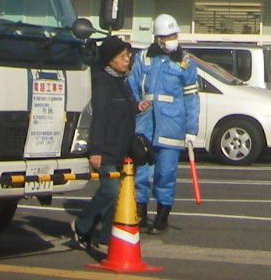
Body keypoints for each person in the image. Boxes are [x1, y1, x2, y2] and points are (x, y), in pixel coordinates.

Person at [129, 13, 199, 233]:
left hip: (172, 126)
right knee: (140, 173)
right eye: (167, 36)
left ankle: (161, 217)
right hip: (144, 126)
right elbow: (131, 89)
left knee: (165, 173)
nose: (172, 39)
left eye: (174, 34)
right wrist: (134, 107)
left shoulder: (185, 62)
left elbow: (191, 97)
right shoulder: (142, 58)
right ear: (158, 38)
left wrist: (191, 129)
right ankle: (139, 215)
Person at [72, 36, 136, 251]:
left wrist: (139, 107)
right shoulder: (102, 81)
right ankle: (82, 225)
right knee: (110, 189)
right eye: (122, 56)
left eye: (127, 55)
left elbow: (123, 111)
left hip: (121, 149)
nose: (127, 59)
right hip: (106, 148)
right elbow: (99, 116)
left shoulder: (123, 80)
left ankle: (108, 239)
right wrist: (96, 150)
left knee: (118, 195)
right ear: (110, 60)